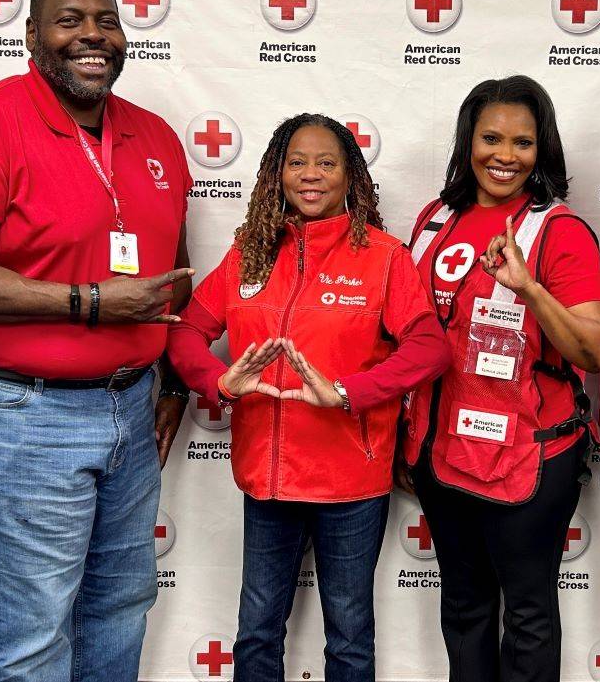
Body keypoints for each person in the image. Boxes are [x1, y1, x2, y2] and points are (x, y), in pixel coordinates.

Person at [0, 0, 195, 682]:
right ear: (32, 33)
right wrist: (87, 302)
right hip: (16, 411)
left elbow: (169, 272)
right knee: (28, 636)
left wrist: (171, 379)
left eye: (107, 19)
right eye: (70, 20)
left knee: (120, 606)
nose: (92, 34)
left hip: (129, 406)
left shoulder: (155, 138)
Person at [167, 113, 451, 682]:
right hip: (266, 478)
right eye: (297, 162)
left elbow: (429, 348)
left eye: (327, 162)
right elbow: (183, 331)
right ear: (278, 173)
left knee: (347, 636)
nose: (311, 174)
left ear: (352, 178)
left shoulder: (383, 256)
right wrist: (219, 383)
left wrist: (349, 392)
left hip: (351, 479)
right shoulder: (251, 250)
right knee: (257, 632)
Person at [400, 76, 600, 682]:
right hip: (442, 454)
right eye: (491, 138)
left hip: (530, 457)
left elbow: (593, 351)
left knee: (527, 615)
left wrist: (529, 289)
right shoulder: (435, 218)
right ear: (468, 142)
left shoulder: (559, 230)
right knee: (463, 609)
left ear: (542, 150)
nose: (505, 155)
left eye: (523, 142)